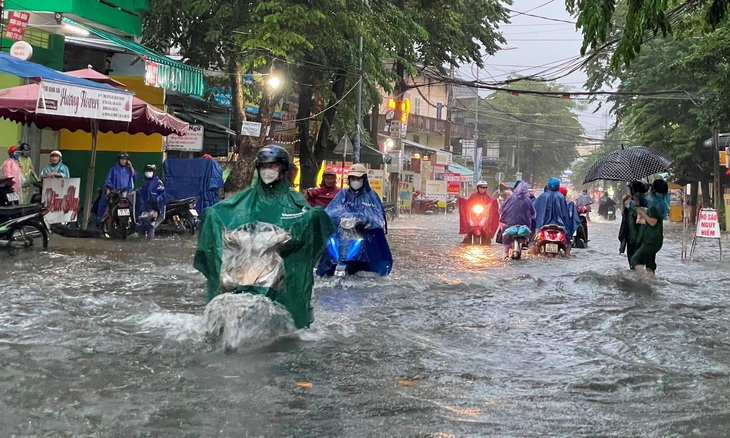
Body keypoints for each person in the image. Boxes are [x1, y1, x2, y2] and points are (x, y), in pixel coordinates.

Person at [194, 145, 335, 329]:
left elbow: (308, 225)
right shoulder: (244, 199)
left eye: (273, 166)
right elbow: (223, 212)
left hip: (278, 265)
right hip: (247, 263)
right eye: (263, 167)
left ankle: (294, 320)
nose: (267, 171)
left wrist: (306, 225)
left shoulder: (295, 202)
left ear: (283, 170)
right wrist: (211, 217)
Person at [317, 163, 393, 276]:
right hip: (342, 233)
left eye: (358, 178)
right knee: (329, 247)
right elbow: (332, 211)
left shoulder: (371, 196)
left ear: (364, 179)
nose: (355, 181)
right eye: (352, 178)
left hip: (364, 235)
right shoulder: (343, 194)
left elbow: (377, 217)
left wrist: (363, 221)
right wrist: (343, 218)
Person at [631, 179, 669, 274]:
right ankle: (651, 283)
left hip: (651, 240)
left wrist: (643, 213)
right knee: (650, 264)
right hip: (655, 239)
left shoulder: (655, 205)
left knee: (635, 260)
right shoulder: (660, 203)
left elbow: (652, 222)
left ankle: (646, 282)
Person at [533, 178, 575, 255]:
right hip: (560, 225)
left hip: (543, 225)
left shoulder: (543, 196)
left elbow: (535, 211)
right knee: (568, 243)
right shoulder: (561, 197)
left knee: (533, 242)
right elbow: (565, 214)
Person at [498, 181, 536, 257]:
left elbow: (501, 209)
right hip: (523, 224)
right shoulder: (527, 200)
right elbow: (533, 213)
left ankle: (506, 253)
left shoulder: (511, 198)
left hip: (509, 224)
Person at [97, 153, 136, 221]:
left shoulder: (128, 169)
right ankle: (104, 219)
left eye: (125, 159)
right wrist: (108, 190)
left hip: (126, 192)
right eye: (122, 159)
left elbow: (133, 175)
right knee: (109, 205)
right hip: (116, 191)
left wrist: (131, 167)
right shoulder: (113, 170)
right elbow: (108, 181)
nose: (123, 161)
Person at [135, 164, 166, 240]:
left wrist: (156, 209)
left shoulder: (158, 183)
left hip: (155, 209)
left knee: (151, 227)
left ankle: (149, 242)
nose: (148, 173)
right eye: (147, 171)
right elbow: (141, 194)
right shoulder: (145, 182)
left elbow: (162, 197)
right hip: (145, 210)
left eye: (150, 171)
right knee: (141, 226)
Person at [619, 181, 648, 260]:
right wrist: (623, 202)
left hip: (636, 239)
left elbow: (626, 216)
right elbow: (625, 215)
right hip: (641, 239)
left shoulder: (642, 204)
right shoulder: (634, 204)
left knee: (635, 262)